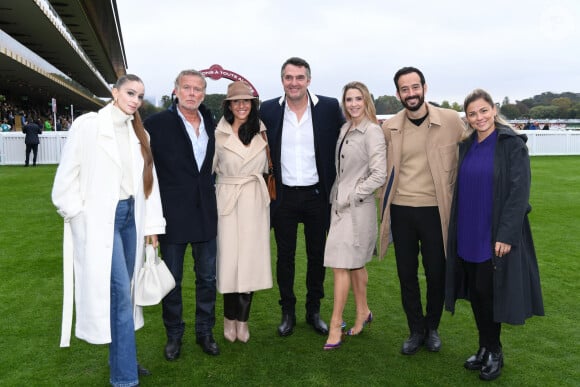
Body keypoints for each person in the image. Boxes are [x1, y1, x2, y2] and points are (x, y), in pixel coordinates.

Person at [52, 74, 166, 387]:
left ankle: (122, 357)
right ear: (114, 93)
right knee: (118, 292)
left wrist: (151, 228)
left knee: (126, 294)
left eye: (140, 96)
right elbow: (65, 181)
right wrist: (79, 216)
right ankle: (125, 377)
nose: (135, 100)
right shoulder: (88, 125)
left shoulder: (138, 132)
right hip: (102, 220)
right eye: (130, 93)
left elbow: (148, 185)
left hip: (132, 216)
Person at [445, 89, 544, 381]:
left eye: (483, 111)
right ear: (468, 117)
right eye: (473, 114)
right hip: (468, 229)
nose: (479, 118)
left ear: (494, 109)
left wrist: (506, 235)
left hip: (493, 233)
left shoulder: (511, 144)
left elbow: (518, 193)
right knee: (476, 292)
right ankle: (484, 346)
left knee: (489, 294)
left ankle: (495, 351)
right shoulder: (467, 144)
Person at [378, 66, 465, 355]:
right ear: (398, 93)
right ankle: (415, 330)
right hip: (402, 210)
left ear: (425, 88)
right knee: (406, 274)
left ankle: (432, 328)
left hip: (435, 210)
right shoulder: (389, 126)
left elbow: (479, 140)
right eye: (405, 89)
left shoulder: (451, 120)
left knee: (436, 273)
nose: (411, 93)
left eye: (415, 87)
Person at [260, 57, 345, 337]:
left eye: (299, 77)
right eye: (288, 77)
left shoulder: (330, 107)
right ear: (282, 80)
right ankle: (288, 311)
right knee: (284, 257)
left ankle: (313, 310)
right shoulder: (269, 109)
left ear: (308, 80)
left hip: (317, 196)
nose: (293, 83)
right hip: (283, 197)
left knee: (316, 256)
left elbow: (348, 139)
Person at [144, 69, 219, 359]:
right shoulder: (156, 124)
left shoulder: (211, 122)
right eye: (186, 88)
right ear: (175, 90)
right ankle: (174, 336)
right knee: (171, 280)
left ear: (203, 93)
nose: (192, 93)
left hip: (205, 215)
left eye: (198, 89)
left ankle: (205, 332)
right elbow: (145, 170)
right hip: (171, 216)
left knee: (207, 279)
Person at [323, 82, 386, 350]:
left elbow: (379, 174)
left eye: (358, 99)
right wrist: (339, 197)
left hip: (357, 209)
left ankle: (335, 324)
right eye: (349, 99)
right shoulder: (344, 128)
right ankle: (363, 312)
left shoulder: (372, 132)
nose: (353, 104)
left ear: (366, 100)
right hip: (338, 206)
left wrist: (353, 195)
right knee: (355, 264)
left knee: (341, 264)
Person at [213, 81, 273, 343]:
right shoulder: (218, 134)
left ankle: (243, 321)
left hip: (255, 200)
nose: (241, 106)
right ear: (228, 105)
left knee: (250, 262)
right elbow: (208, 170)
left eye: (246, 101)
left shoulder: (263, 132)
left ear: (252, 104)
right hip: (227, 200)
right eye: (236, 101)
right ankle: (228, 319)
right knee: (229, 263)